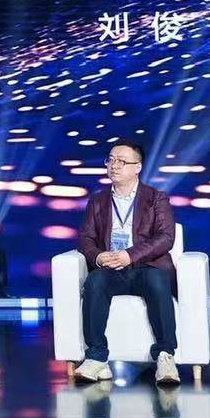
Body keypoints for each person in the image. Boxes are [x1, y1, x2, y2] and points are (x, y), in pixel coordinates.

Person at [73, 139, 180, 386]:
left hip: (147, 266)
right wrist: (98, 256)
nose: (114, 166)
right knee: (95, 281)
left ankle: (165, 356)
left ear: (137, 167)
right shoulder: (98, 201)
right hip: (112, 268)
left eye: (121, 161)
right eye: (110, 160)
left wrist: (130, 255)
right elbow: (85, 238)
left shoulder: (156, 198)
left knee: (157, 281)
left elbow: (166, 237)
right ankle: (96, 357)